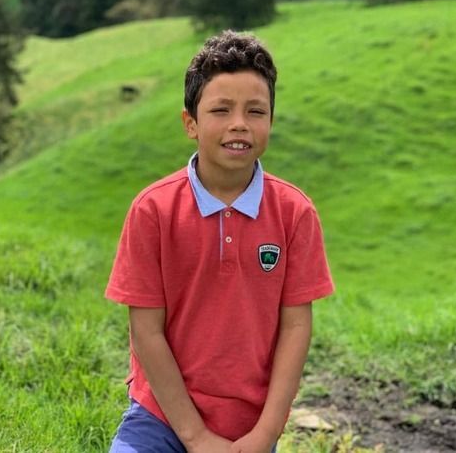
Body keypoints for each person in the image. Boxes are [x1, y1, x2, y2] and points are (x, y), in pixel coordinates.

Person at [105, 30, 334, 452]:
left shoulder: (295, 213)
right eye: (221, 110)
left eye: (255, 111)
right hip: (160, 417)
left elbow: (296, 326)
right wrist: (195, 437)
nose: (239, 124)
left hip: (251, 428)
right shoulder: (152, 210)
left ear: (271, 121)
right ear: (190, 123)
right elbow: (145, 331)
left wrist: (266, 434)